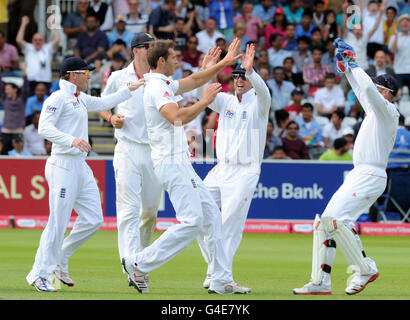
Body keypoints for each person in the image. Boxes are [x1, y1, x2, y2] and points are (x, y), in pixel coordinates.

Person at [121, 39, 249, 295]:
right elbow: (177, 117)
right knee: (192, 221)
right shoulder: (157, 87)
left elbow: (195, 80)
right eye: (174, 58)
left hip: (179, 162)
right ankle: (138, 263)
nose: (178, 62)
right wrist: (205, 101)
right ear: (161, 61)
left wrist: (222, 63)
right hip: (170, 162)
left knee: (211, 217)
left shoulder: (163, 83)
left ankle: (221, 279)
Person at [26, 57, 143, 292]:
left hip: (80, 165)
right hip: (62, 164)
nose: (89, 77)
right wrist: (72, 140)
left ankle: (61, 256)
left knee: (93, 219)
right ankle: (39, 274)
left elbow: (104, 103)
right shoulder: (58, 98)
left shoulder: (79, 99)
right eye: (85, 73)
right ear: (72, 75)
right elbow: (44, 128)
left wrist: (129, 89)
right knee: (58, 223)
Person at [294, 38, 399, 295]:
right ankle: (320, 282)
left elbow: (368, 91)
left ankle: (365, 268)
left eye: (378, 89)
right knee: (324, 223)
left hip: (371, 174)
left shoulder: (388, 110)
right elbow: (364, 91)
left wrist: (354, 64)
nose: (373, 92)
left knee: (335, 220)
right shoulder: (375, 108)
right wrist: (348, 68)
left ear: (387, 93)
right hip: (359, 173)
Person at [196, 46, 271, 291]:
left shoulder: (259, 104)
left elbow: (265, 92)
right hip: (222, 168)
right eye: (236, 76)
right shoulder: (226, 101)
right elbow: (200, 93)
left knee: (229, 223)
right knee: (197, 213)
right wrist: (206, 70)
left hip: (246, 171)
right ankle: (215, 270)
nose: (239, 79)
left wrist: (252, 72)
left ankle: (222, 279)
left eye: (243, 76)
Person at [98, 33, 163, 287]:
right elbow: (102, 104)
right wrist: (110, 118)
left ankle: (140, 261)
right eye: (149, 46)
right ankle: (131, 265)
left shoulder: (160, 77)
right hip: (126, 148)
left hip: (154, 150)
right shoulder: (117, 77)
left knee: (149, 212)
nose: (154, 50)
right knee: (127, 210)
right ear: (136, 50)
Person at [16, 16, 60, 95]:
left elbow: (57, 40)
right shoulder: (28, 48)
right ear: (32, 41)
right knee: (30, 102)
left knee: (46, 104)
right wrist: (23, 24)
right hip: (30, 81)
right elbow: (19, 40)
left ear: (44, 41)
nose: (37, 41)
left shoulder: (47, 48)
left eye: (40, 40)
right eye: (35, 40)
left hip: (45, 81)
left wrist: (53, 25)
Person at [0, 77, 29, 155]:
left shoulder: (22, 99)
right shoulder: (5, 99)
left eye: (8, 89)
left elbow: (25, 88)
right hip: (6, 130)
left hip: (18, 130)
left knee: (18, 154)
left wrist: (25, 75)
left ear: (15, 89)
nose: (6, 91)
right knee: (4, 152)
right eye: (5, 89)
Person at [388, 14, 410, 92]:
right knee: (398, 96)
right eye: (402, 21)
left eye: (407, 21)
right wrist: (397, 35)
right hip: (399, 71)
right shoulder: (394, 37)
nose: (405, 23)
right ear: (399, 24)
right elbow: (392, 51)